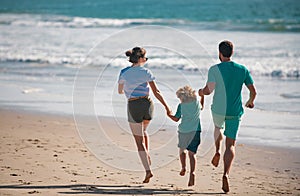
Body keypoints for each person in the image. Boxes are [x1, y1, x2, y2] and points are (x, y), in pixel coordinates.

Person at [198, 40, 257, 193]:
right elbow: (253, 92)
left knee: (218, 128)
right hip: (234, 111)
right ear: (232, 52)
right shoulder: (242, 70)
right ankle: (225, 174)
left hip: (218, 109)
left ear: (220, 53)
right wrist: (250, 102)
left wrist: (200, 92)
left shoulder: (214, 69)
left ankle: (217, 150)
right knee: (230, 144)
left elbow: (208, 90)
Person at [118, 47, 170, 183]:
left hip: (133, 105)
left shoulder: (124, 72)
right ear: (140, 59)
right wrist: (166, 107)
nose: (146, 60)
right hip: (148, 104)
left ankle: (148, 171)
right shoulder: (146, 72)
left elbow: (120, 91)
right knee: (144, 130)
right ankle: (147, 154)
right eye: (145, 58)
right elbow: (156, 91)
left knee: (138, 141)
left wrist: (129, 90)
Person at [167, 85, 204, 186]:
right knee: (192, 154)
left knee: (182, 149)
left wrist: (169, 114)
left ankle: (183, 167)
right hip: (196, 130)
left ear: (183, 98)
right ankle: (192, 172)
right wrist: (203, 97)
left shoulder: (181, 106)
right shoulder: (196, 103)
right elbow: (202, 107)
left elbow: (176, 119)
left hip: (183, 131)